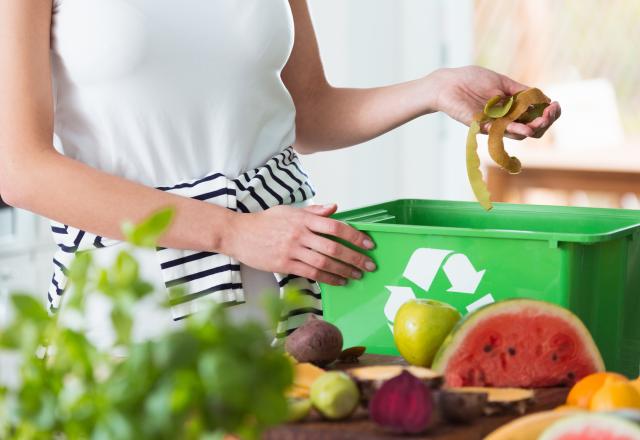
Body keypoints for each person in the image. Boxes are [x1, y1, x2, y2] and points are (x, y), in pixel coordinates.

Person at [0, 0, 560, 345]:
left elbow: (308, 113)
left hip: (286, 294)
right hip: (133, 302)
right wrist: (232, 232)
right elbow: (21, 167)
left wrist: (434, 90)